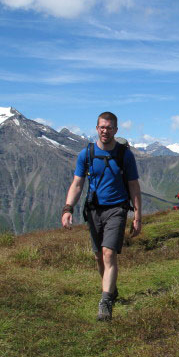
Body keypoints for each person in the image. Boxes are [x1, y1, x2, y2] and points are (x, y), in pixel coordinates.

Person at [61, 111, 142, 322]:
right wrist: (67, 208)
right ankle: (111, 290)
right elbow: (77, 183)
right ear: (97, 128)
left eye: (109, 127)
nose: (105, 131)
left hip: (117, 209)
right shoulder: (85, 154)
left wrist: (137, 216)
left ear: (116, 130)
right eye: (102, 127)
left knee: (108, 253)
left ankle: (105, 301)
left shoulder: (125, 155)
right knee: (98, 256)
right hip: (94, 209)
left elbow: (134, 186)